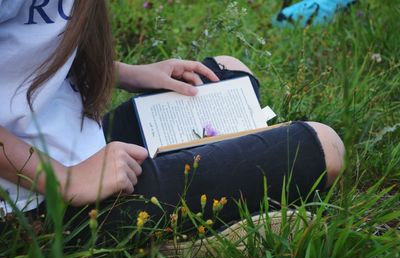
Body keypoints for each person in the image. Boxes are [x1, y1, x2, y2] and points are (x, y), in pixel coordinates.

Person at [0, 0, 345, 242]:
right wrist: (67, 180)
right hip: (36, 198)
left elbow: (33, 50)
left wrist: (131, 74)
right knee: (324, 145)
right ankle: (163, 241)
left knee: (232, 70)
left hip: (83, 143)